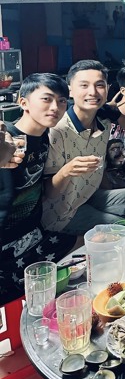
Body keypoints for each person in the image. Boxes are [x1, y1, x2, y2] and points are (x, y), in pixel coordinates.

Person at [0, 74, 78, 305]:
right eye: (47, 99)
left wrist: (66, 172)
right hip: (6, 248)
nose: (55, 107)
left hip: (34, 235)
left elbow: (46, 192)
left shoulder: (44, 138)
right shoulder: (7, 139)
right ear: (23, 102)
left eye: (62, 101)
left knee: (90, 246)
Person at [42, 60, 125, 236]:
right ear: (70, 90)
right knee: (123, 229)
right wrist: (66, 171)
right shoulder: (56, 130)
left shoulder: (105, 123)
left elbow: (106, 110)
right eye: (84, 85)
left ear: (107, 88)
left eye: (99, 85)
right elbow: (48, 192)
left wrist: (118, 116)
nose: (93, 92)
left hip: (89, 196)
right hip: (61, 213)